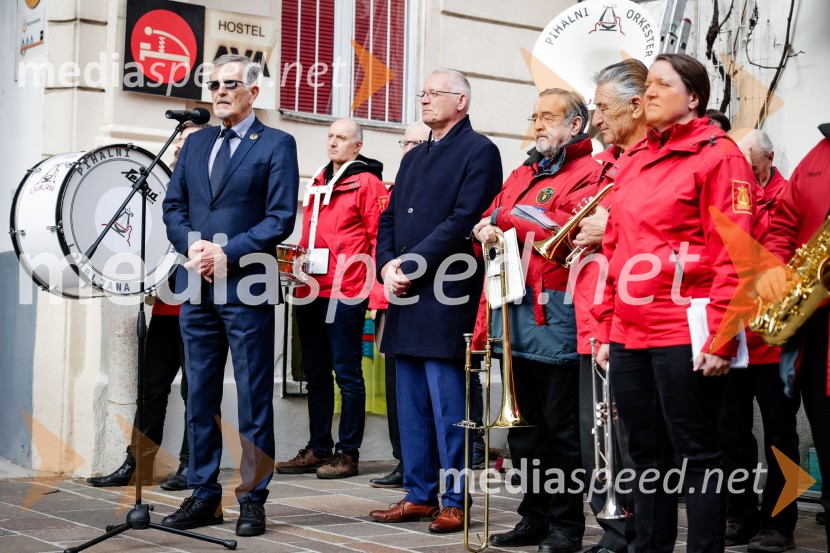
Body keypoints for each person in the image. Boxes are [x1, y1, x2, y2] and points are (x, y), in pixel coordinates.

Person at [593, 53, 756, 553]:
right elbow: (614, 250)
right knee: (645, 454)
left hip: (684, 329)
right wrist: (605, 327)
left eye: (663, 84)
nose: (650, 93)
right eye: (648, 85)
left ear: (694, 98)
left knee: (698, 454)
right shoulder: (635, 159)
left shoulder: (719, 155)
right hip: (629, 331)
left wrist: (721, 338)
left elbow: (737, 254)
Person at [161, 54, 299, 537]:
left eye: (230, 84)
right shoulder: (196, 143)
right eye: (213, 84)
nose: (219, 91)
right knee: (198, 395)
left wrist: (228, 252)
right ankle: (203, 495)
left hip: (248, 286)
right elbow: (172, 206)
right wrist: (190, 243)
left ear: (253, 92)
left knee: (253, 398)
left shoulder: (277, 144)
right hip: (197, 288)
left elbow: (280, 218)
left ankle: (253, 499)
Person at [369, 68, 503, 534]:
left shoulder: (480, 151)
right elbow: (387, 218)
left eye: (433, 94)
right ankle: (420, 493)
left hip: (447, 291)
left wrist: (411, 265)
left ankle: (455, 497)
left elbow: (465, 218)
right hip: (403, 292)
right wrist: (387, 264)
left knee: (449, 407)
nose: (423, 100)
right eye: (421, 93)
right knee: (410, 405)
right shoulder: (413, 155)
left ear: (461, 101)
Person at [471, 88, 599, 553]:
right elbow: (497, 215)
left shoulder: (590, 170)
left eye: (549, 117)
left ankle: (566, 526)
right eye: (535, 116)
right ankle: (534, 516)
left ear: (575, 125)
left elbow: (560, 232)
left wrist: (504, 216)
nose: (539, 124)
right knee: (525, 431)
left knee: (561, 431)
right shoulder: (524, 170)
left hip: (557, 312)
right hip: (513, 309)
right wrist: (483, 226)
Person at [87, 122, 210, 492]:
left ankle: (193, 465)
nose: (182, 148)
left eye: (192, 141)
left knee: (197, 391)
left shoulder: (209, 191)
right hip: (165, 309)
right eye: (180, 143)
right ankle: (137, 465)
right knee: (151, 388)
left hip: (200, 307)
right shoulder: (160, 191)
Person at [275, 118, 387, 479]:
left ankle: (348, 453)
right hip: (310, 289)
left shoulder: (366, 183)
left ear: (357, 146)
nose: (333, 142)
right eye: (330, 136)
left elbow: (376, 238)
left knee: (347, 373)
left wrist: (375, 290)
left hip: (347, 290)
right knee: (316, 373)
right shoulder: (318, 181)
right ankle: (318, 448)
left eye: (342, 138)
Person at [571, 59, 650, 553]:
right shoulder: (608, 165)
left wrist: (610, 229)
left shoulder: (645, 163)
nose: (596, 118)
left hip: (631, 318)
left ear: (635, 105)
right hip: (592, 314)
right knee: (595, 436)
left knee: (627, 437)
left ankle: (631, 532)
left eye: (602, 107)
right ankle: (613, 528)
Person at [718, 129, 798, 551]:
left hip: (776, 338)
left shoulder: (790, 196)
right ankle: (740, 513)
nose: (738, 168)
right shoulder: (729, 197)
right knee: (730, 431)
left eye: (746, 160)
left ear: (767, 158)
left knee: (780, 435)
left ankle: (779, 523)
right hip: (735, 335)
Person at [756, 123, 830, 552]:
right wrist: (781, 268)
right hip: (810, 322)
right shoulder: (819, 153)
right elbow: (784, 224)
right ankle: (772, 521)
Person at [369, 121, 430, 489]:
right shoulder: (399, 184)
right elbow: (384, 230)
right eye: (404, 140)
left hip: (427, 293)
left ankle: (428, 464)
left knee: (429, 386)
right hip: (391, 293)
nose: (407, 147)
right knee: (397, 384)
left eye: (415, 141)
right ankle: (404, 459)